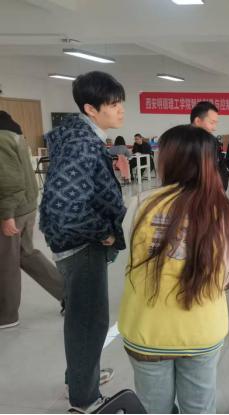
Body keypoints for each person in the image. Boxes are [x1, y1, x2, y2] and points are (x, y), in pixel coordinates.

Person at [119, 125, 229, 414]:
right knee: (199, 408)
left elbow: (131, 250)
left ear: (168, 160)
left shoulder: (140, 204)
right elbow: (226, 275)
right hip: (202, 328)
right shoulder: (225, 213)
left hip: (146, 328)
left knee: (152, 409)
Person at [39, 71, 127, 411]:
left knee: (83, 317)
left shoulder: (80, 136)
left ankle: (79, 377)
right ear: (91, 109)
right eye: (113, 104)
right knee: (88, 321)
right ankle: (84, 398)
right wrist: (103, 232)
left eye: (120, 103)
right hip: (81, 245)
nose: (121, 110)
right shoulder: (81, 144)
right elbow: (65, 208)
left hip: (76, 241)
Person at [0, 111, 64, 329]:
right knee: (26, 254)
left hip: (12, 210)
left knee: (5, 262)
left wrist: (7, 215)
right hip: (24, 205)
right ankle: (68, 294)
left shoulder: (1, 136)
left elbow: (8, 180)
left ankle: (6, 315)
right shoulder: (11, 127)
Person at [190, 101, 229, 190]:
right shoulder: (180, 144)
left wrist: (220, 189)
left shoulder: (214, 142)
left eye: (216, 123)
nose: (214, 128)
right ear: (198, 121)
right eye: (212, 123)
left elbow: (221, 168)